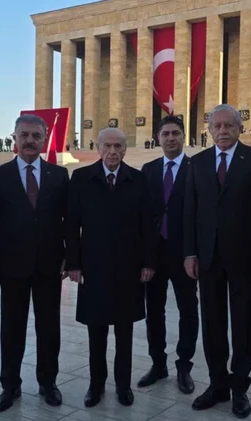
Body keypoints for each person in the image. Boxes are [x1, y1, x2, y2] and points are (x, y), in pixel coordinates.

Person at [184, 104, 251, 418]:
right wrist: (190, 253)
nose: (222, 131)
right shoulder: (198, 162)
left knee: (244, 323)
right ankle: (217, 383)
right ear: (208, 130)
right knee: (212, 322)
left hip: (245, 260)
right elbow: (190, 211)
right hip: (208, 258)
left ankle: (239, 388)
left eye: (229, 125)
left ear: (240, 128)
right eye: (217, 126)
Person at [65, 128, 156, 408]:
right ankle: (96, 385)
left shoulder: (138, 179)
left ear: (125, 149)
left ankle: (123, 386)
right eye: (107, 146)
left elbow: (148, 225)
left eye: (118, 146)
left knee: (125, 333)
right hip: (94, 268)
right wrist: (74, 264)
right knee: (97, 332)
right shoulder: (81, 178)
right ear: (99, 148)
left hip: (128, 268)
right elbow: (71, 224)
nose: (113, 151)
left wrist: (149, 262)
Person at [0, 114, 70, 412]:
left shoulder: (59, 176)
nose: (30, 141)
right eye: (24, 135)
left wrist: (69, 257)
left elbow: (69, 222)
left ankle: (48, 382)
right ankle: (10, 385)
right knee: (12, 328)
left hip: (49, 266)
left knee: (49, 328)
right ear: (15, 138)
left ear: (45, 140)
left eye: (36, 136)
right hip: (12, 266)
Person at [137, 116, 199, 394]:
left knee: (188, 310)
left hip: (184, 254)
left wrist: (194, 253)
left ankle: (184, 365)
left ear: (183, 136)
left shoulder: (195, 169)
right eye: (165, 134)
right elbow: (141, 215)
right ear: (157, 137)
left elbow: (201, 215)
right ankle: (157, 363)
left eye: (176, 133)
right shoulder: (148, 170)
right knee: (154, 311)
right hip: (154, 254)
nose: (171, 138)